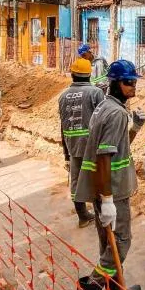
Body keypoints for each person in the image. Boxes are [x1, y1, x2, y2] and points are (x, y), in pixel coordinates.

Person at [72, 59, 145, 290]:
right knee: (120, 245)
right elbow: (104, 158)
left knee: (108, 246)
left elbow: (116, 148)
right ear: (115, 82)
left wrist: (135, 128)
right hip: (112, 190)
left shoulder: (105, 106)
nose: (133, 86)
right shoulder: (115, 113)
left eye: (135, 81)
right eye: (128, 82)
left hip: (104, 189)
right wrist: (107, 200)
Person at [58, 57, 103, 228]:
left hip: (72, 144)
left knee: (76, 179)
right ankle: (101, 216)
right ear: (89, 74)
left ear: (72, 74)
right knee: (97, 179)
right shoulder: (95, 93)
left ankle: (83, 215)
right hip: (92, 144)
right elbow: (103, 119)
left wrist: (66, 153)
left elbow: (62, 125)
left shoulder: (63, 96)